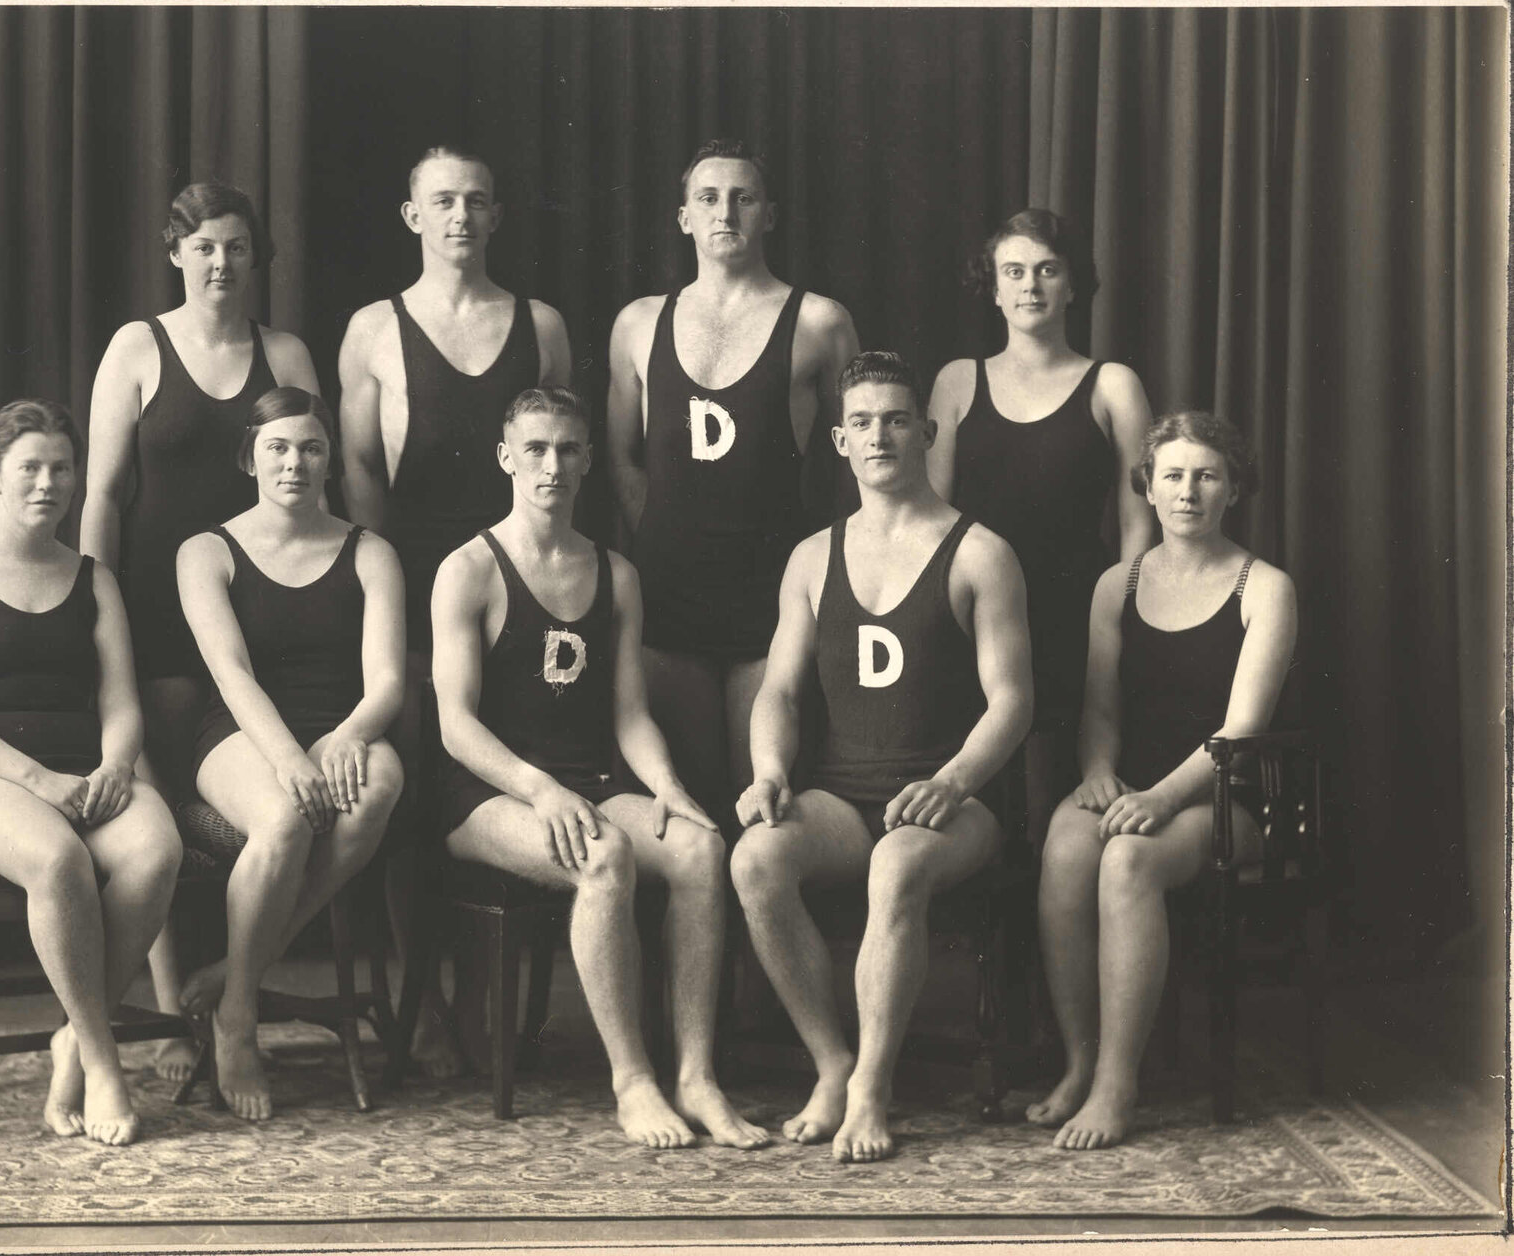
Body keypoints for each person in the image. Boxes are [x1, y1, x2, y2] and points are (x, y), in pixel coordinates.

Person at [433, 386, 766, 1151]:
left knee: (700, 848)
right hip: (487, 793)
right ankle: (633, 1081)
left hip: (590, 782)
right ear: (505, 457)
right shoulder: (469, 569)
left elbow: (629, 716)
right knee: (604, 857)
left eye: (567, 449)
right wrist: (538, 789)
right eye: (535, 449)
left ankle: (695, 1076)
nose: (551, 465)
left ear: (588, 460)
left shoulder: (615, 572)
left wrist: (669, 788)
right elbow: (455, 725)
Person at [730, 352, 1032, 1162]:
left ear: (926, 432)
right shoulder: (811, 556)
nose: (879, 436)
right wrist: (768, 771)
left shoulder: (979, 553)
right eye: (861, 422)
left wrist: (953, 781)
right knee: (755, 859)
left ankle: (871, 1087)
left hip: (952, 804)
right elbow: (779, 691)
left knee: (896, 864)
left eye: (896, 419)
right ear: (839, 440)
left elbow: (1011, 701)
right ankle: (832, 1062)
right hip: (841, 798)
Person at [79, 179, 322, 1078]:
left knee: (253, 807)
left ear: (257, 257)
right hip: (146, 608)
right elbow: (103, 495)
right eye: (205, 247)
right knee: (156, 812)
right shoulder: (137, 347)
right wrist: (96, 612)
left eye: (237, 247)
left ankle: (226, 988)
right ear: (176, 252)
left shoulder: (284, 351)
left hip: (257, 618)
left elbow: (308, 478)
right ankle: (167, 1004)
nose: (221, 263)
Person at [339, 145, 571, 1075]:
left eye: (476, 200)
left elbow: (559, 456)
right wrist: (386, 596)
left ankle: (484, 996)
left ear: (496, 214)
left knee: (497, 779)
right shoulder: (373, 329)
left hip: (516, 592)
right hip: (410, 584)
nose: (460, 216)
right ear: (413, 216)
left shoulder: (539, 324)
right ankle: (425, 1000)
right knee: (416, 797)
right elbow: (359, 472)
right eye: (442, 201)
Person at [0, 399, 182, 1147]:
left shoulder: (93, 578)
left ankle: (72, 1038)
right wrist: (38, 782)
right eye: (29, 467)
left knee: (157, 848)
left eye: (62, 468)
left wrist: (116, 764)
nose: (48, 483)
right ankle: (101, 1060)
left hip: (81, 770)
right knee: (58, 858)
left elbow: (120, 703)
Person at [1028, 411, 1295, 1150]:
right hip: (1134, 785)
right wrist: (1097, 771)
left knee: (1128, 859)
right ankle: (1080, 1063)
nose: (1187, 492)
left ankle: (1118, 1084)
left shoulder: (1264, 587)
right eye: (1172, 476)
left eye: (1207, 476)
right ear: (1146, 487)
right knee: (1065, 843)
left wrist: (1159, 798)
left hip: (1227, 798)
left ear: (1232, 489)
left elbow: (1240, 730)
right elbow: (1100, 709)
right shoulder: (1116, 584)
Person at [607, 138, 860, 829]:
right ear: (683, 217)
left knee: (762, 806)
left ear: (768, 215)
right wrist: (659, 535)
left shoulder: (819, 321)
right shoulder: (638, 323)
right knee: (687, 811)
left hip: (771, 601)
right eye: (708, 198)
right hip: (668, 597)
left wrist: (817, 578)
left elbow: (853, 461)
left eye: (743, 198)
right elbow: (621, 457)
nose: (725, 212)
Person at [172, 387, 405, 1120]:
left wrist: (349, 734)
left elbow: (388, 681)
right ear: (250, 458)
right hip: (239, 734)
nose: (294, 463)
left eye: (310, 448)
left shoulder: (371, 552)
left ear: (330, 460)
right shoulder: (206, 551)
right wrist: (288, 760)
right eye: (277, 448)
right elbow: (231, 673)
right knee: (283, 819)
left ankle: (234, 974)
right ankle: (239, 1018)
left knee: (379, 786)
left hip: (338, 726)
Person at [927, 208, 1155, 831]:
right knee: (978, 799)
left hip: (1078, 612)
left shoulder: (1113, 386)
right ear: (994, 288)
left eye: (1048, 270)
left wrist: (1121, 620)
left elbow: (1138, 526)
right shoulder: (957, 382)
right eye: (1015, 272)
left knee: (1058, 797)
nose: (1031, 285)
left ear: (1072, 286)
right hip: (974, 614)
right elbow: (933, 516)